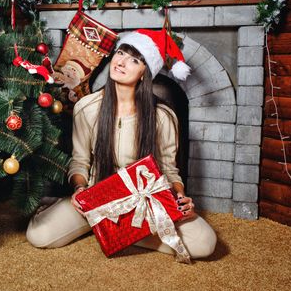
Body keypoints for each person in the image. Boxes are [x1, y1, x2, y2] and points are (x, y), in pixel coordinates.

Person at [26, 29, 217, 259]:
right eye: (121, 53)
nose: (122, 62)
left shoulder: (163, 116)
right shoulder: (87, 107)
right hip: (97, 200)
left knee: (204, 244)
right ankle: (113, 229)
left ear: (145, 72)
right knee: (39, 235)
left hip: (143, 204)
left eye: (134, 60)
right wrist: (79, 190)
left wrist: (178, 196)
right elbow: (79, 161)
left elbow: (169, 170)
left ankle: (117, 232)